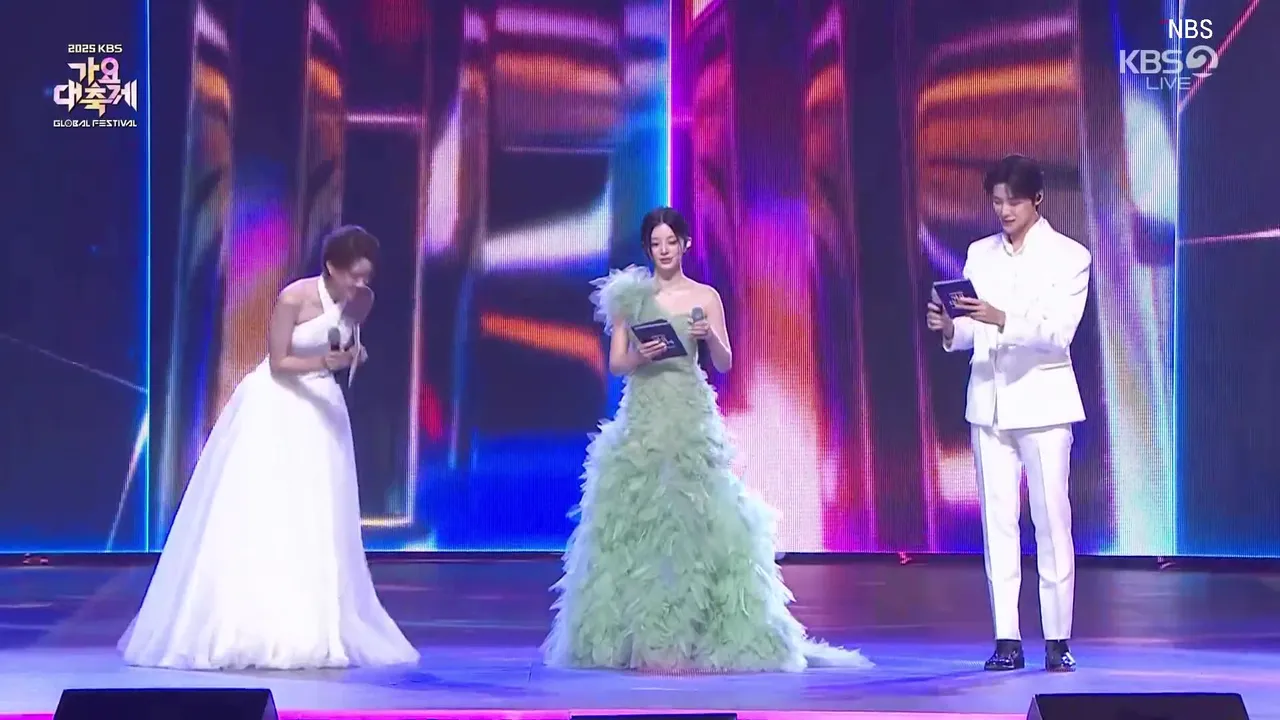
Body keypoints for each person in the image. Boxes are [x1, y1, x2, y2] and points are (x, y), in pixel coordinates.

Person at [543, 206, 871, 673]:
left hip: (690, 411)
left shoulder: (705, 296)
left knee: (694, 513)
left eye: (670, 243)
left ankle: (692, 627)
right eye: (655, 244)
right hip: (644, 413)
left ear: (685, 245)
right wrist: (641, 355)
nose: (663, 251)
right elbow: (616, 363)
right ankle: (637, 634)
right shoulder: (632, 297)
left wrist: (708, 334)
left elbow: (724, 361)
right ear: (648, 249)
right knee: (637, 516)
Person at [119, 225, 419, 670]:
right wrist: (324, 361)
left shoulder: (362, 301)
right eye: (353, 275)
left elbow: (346, 338)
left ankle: (316, 622)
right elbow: (279, 363)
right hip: (278, 405)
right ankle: (247, 621)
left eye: (366, 276)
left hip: (323, 410)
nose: (360, 283)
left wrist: (353, 355)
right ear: (331, 267)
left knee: (318, 512)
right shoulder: (294, 298)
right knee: (266, 508)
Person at [926, 155, 1091, 673]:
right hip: (989, 406)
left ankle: (1057, 639)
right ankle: (1007, 639)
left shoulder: (1070, 257)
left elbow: (1056, 333)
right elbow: (972, 328)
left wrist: (1001, 317)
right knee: (998, 524)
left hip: (1043, 406)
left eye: (1013, 202)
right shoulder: (980, 254)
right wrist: (951, 328)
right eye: (997, 202)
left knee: (1050, 522)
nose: (1004, 211)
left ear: (1036, 199)